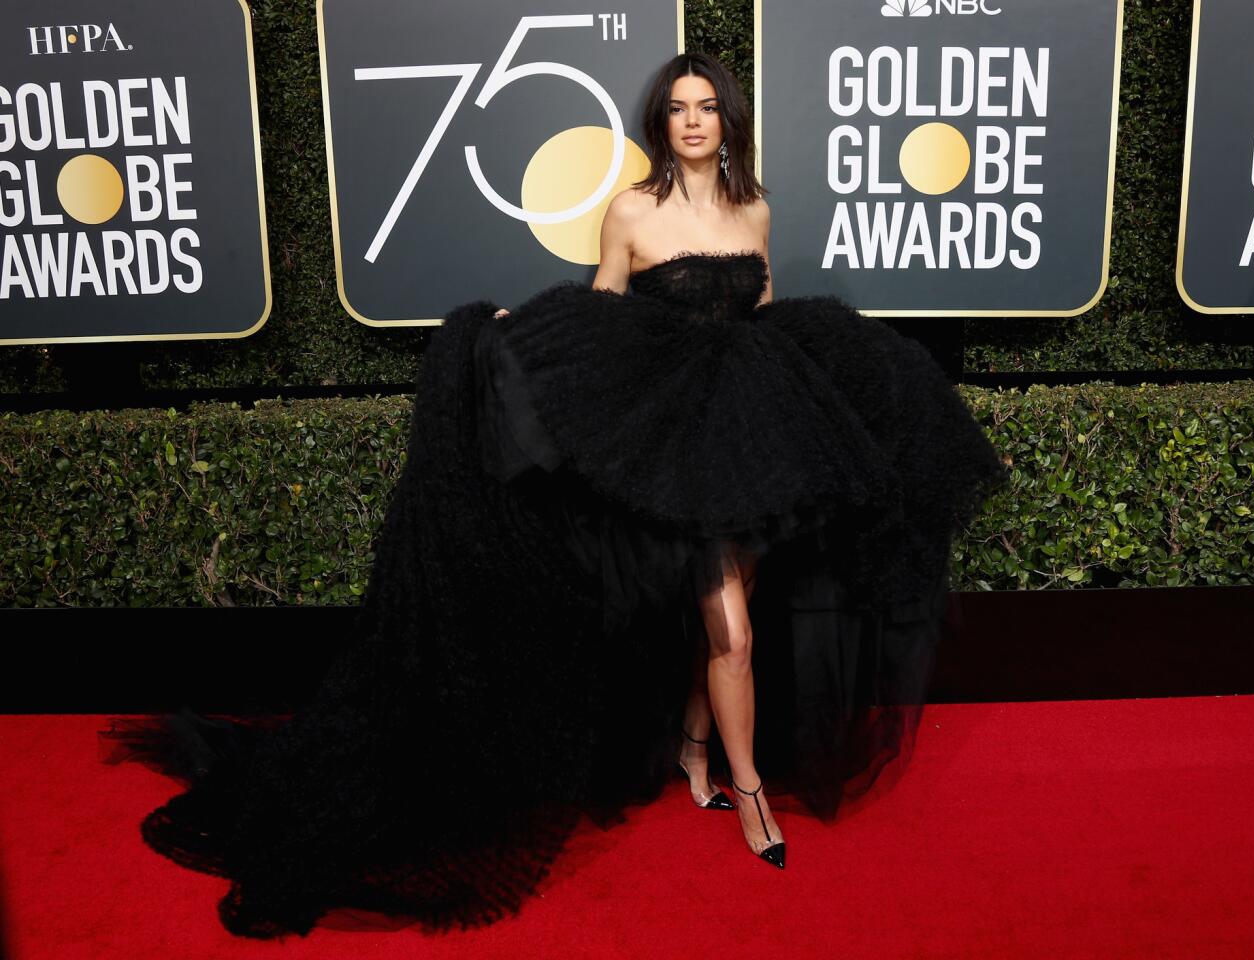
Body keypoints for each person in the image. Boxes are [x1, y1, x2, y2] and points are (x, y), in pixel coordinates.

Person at [98, 51, 1008, 939]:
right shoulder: (631, 210)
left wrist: (808, 391)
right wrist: (515, 337)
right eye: (679, 109)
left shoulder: (756, 208)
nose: (694, 122)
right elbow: (604, 308)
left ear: (728, 120)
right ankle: (750, 794)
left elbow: (762, 311)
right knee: (731, 629)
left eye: (708, 108)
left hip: (755, 434)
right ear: (663, 125)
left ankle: (696, 751)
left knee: (732, 608)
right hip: (673, 446)